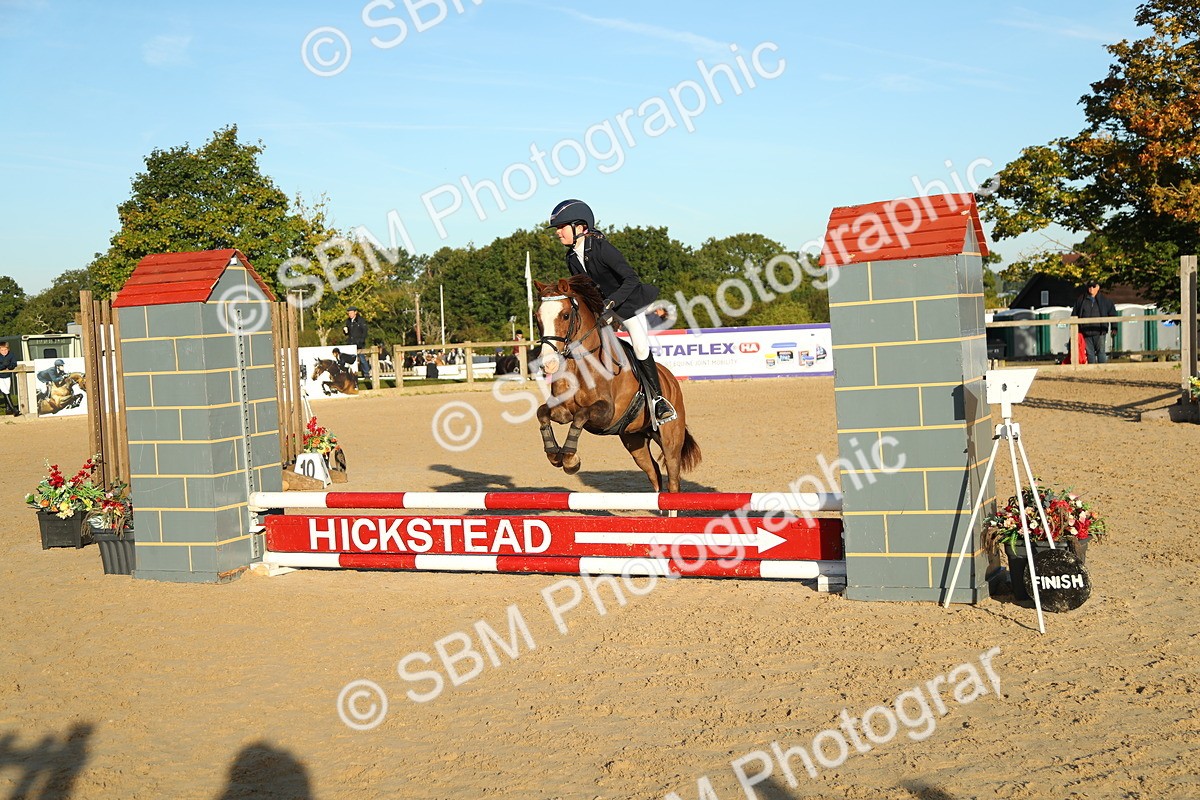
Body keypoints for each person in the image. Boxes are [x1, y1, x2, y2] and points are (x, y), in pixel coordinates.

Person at [547, 198, 676, 423]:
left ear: (579, 227)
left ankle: (657, 400)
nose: (558, 233)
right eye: (558, 229)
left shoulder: (601, 248)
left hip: (627, 305)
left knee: (640, 345)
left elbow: (630, 279)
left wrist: (612, 303)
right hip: (603, 310)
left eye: (561, 227)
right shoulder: (571, 257)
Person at [1071, 281, 1117, 364]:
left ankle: (1102, 370)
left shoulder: (1105, 300)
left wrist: (1114, 327)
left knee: (1101, 352)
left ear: (1098, 287)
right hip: (1086, 332)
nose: (1091, 289)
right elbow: (1074, 314)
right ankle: (1091, 370)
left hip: (1100, 331)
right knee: (1089, 353)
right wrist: (1075, 330)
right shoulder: (1081, 300)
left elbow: (1112, 313)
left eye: (1093, 286)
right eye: (1090, 287)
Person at [342, 307, 371, 379]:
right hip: (351, 343)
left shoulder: (360, 320)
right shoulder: (348, 321)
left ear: (355, 312)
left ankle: (366, 373)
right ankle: (350, 374)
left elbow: (364, 331)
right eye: (349, 313)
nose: (350, 314)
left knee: (362, 358)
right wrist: (345, 331)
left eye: (351, 313)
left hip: (359, 343)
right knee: (349, 359)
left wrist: (361, 341)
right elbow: (348, 333)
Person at [0, 342, 19, 416]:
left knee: (7, 391)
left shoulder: (11, 355)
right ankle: (13, 409)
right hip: (0, 376)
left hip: (7, 375)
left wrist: (10, 366)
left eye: (5, 350)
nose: (4, 351)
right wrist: (3, 365)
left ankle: (8, 409)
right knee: (5, 390)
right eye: (2, 350)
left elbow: (14, 363)